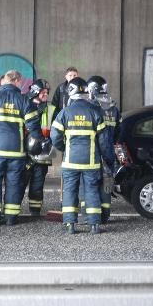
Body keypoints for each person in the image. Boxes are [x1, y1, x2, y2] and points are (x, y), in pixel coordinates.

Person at [0, 70, 42, 226]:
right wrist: (37, 145)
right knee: (13, 183)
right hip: (16, 153)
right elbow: (34, 128)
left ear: (6, 81)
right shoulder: (24, 101)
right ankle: (11, 218)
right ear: (17, 80)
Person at [51, 77, 115, 235]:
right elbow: (104, 141)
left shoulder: (64, 113)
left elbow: (54, 137)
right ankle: (94, 225)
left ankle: (70, 225)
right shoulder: (95, 112)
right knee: (91, 191)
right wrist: (108, 159)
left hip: (70, 162)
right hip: (91, 162)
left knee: (70, 191)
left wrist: (64, 148)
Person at [87, 75, 121, 224]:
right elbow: (119, 132)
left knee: (90, 185)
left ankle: (91, 217)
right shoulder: (113, 108)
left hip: (92, 152)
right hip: (109, 153)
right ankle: (105, 215)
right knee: (107, 183)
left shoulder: (90, 106)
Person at [24, 79, 52, 216]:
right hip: (24, 154)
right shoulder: (25, 106)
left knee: (37, 186)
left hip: (42, 155)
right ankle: (12, 211)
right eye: (43, 92)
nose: (46, 94)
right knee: (18, 184)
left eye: (47, 92)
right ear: (35, 92)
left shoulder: (51, 109)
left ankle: (35, 212)